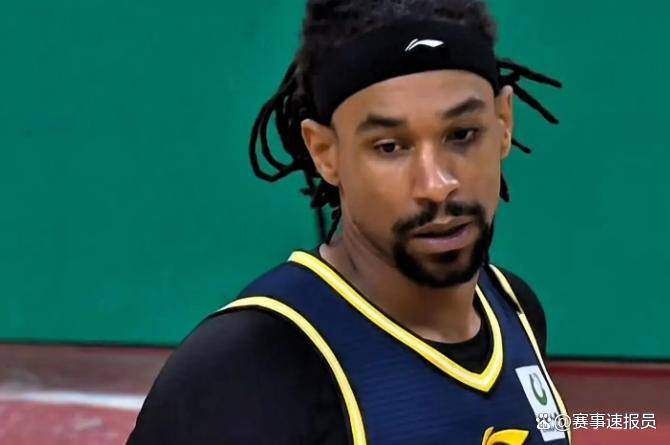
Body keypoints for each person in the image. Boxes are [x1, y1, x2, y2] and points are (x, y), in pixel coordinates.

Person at [128, 1, 571, 444]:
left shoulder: (515, 310)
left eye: (462, 135)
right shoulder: (248, 369)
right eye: (390, 146)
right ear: (325, 153)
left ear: (503, 122)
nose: (436, 185)